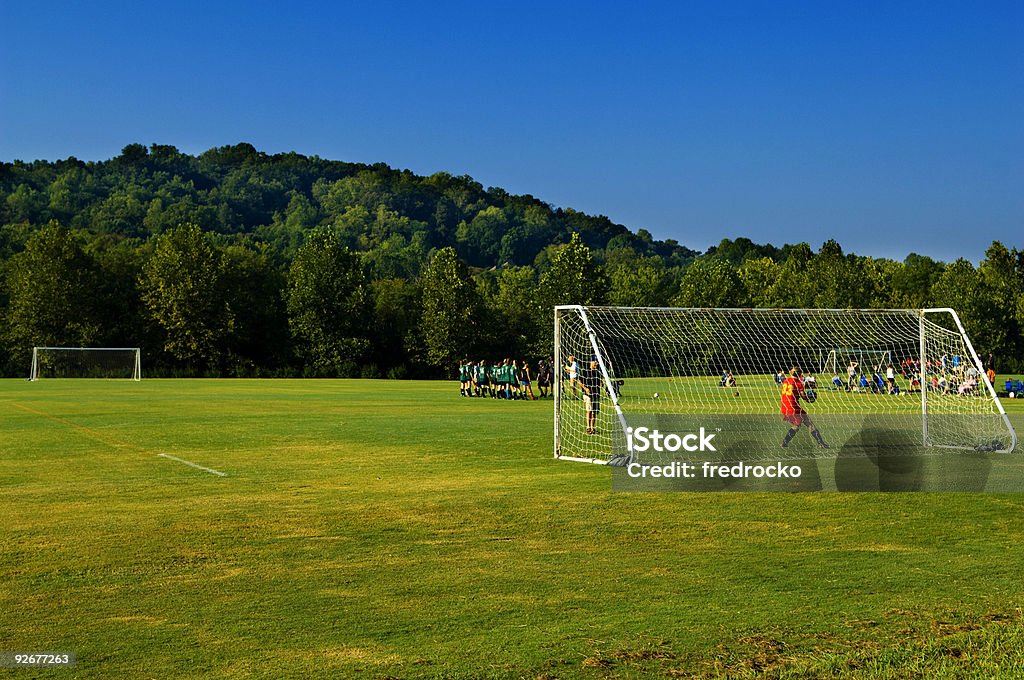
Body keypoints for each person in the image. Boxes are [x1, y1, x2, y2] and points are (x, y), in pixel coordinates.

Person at [780, 367, 829, 449]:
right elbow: (803, 396)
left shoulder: (786, 381)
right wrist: (808, 399)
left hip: (785, 406)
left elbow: (790, 393)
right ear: (799, 374)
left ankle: (784, 443)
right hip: (793, 407)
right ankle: (821, 443)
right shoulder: (798, 382)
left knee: (798, 425)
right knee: (808, 424)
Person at [580, 359, 602, 435]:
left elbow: (600, 382)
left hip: (596, 394)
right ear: (591, 363)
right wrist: (585, 388)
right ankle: (588, 427)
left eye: (596, 363)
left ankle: (593, 427)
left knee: (594, 412)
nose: (596, 364)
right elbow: (579, 381)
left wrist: (600, 384)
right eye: (594, 363)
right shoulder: (585, 372)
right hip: (588, 395)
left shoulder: (597, 372)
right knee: (589, 410)